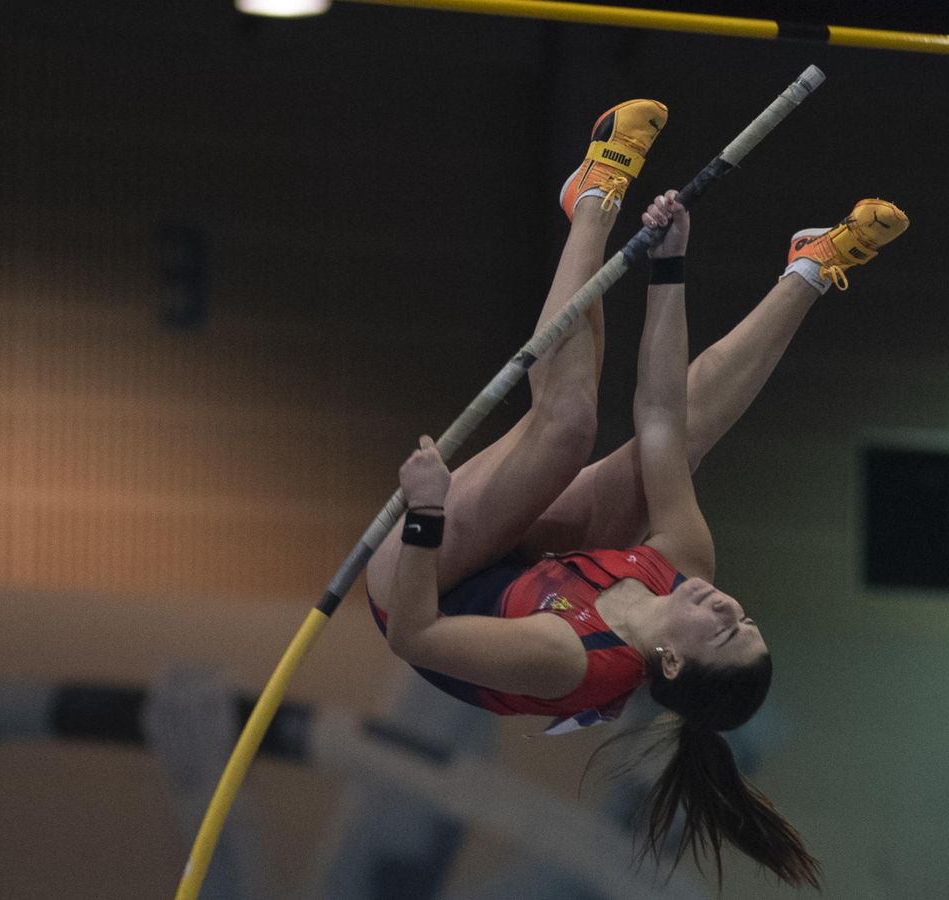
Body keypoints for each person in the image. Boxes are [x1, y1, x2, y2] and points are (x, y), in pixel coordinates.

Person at [365, 98, 907, 889]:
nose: (729, 607)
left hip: (425, 590)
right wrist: (668, 265)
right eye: (746, 619)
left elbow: (413, 634)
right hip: (530, 569)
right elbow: (659, 417)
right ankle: (809, 269)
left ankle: (593, 193)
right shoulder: (685, 566)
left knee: (565, 430)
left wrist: (422, 514)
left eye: (724, 632)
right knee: (679, 440)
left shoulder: (566, 660)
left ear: (672, 664)